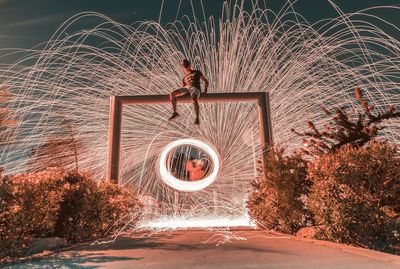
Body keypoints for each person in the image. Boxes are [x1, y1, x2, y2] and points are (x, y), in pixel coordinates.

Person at [169, 59, 209, 125]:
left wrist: (205, 91)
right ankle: (175, 112)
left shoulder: (197, 72)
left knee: (194, 99)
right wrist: (183, 94)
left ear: (190, 65)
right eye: (184, 66)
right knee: (172, 94)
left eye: (187, 66)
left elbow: (206, 81)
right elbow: (183, 87)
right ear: (183, 67)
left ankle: (197, 118)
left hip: (195, 88)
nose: (186, 68)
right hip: (186, 88)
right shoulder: (184, 77)